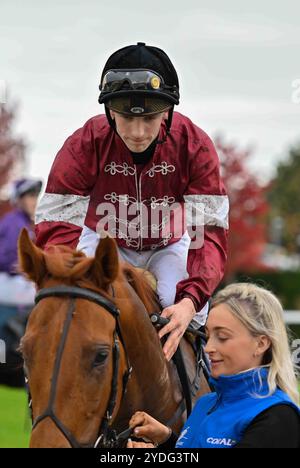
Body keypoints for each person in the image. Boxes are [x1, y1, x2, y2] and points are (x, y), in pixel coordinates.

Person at [34, 42, 229, 360]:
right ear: (109, 111)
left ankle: (203, 387)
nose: (138, 132)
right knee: (74, 301)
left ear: (167, 111)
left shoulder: (195, 146)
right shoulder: (83, 145)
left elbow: (207, 234)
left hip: (169, 244)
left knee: (187, 312)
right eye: (126, 117)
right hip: (105, 241)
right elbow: (56, 225)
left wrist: (189, 301)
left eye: (149, 118)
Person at [127, 283, 300, 449]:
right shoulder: (206, 402)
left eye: (223, 337)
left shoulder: (279, 415)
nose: (208, 348)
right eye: (208, 336)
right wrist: (167, 439)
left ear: (261, 344)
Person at [0, 178, 42, 385]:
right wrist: (24, 268)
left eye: (36, 195)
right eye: (30, 196)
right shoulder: (14, 222)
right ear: (19, 199)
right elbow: (6, 258)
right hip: (7, 280)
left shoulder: (27, 223)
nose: (35, 200)